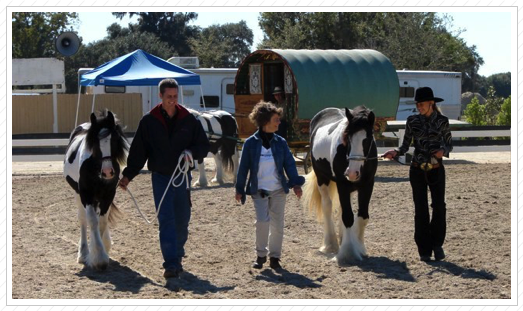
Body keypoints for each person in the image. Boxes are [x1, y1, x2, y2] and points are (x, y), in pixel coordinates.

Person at [119, 78, 210, 279]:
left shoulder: (189, 119)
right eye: (169, 96)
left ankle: (177, 255)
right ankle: (170, 263)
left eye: (175, 96)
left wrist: (191, 152)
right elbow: (138, 152)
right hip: (160, 177)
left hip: (182, 177)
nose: (172, 100)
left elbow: (203, 146)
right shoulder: (149, 121)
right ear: (160, 96)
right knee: (166, 219)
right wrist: (127, 176)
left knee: (183, 219)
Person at [383, 87, 453, 262]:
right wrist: (395, 152)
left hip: (436, 168)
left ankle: (437, 245)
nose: (419, 107)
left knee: (439, 206)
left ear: (431, 103)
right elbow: (405, 145)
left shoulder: (443, 121)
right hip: (417, 169)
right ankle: (424, 249)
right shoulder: (412, 121)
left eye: (421, 104)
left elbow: (449, 144)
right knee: (420, 208)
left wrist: (443, 151)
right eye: (417, 104)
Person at [235, 101, 304, 270]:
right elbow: (243, 168)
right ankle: (260, 255)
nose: (279, 122)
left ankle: (275, 258)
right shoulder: (250, 143)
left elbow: (289, 164)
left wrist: (295, 184)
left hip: (279, 190)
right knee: (262, 222)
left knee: (278, 225)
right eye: (276, 119)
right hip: (259, 190)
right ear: (265, 121)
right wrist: (239, 189)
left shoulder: (281, 142)